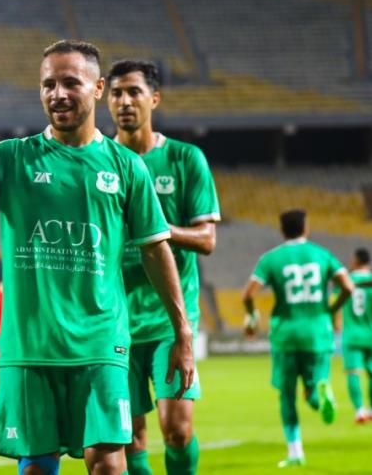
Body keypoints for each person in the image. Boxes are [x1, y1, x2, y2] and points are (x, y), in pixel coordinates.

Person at [0, 40, 194, 475]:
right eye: (48, 84)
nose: (57, 94)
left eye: (70, 82)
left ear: (98, 87)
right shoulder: (11, 158)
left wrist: (182, 332)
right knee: (37, 468)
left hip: (101, 343)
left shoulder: (125, 167)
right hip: (29, 349)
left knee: (107, 462)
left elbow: (157, 250)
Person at [107, 60, 220, 475]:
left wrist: (156, 229)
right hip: (115, 322)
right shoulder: (100, 160)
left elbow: (207, 239)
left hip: (171, 321)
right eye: (116, 93)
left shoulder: (185, 159)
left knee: (177, 429)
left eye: (134, 92)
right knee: (131, 436)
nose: (124, 101)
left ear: (154, 98)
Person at [242, 209, 354, 468]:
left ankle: (295, 452)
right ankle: (321, 392)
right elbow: (347, 287)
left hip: (286, 335)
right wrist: (332, 309)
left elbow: (248, 294)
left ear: (282, 230)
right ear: (306, 227)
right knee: (313, 387)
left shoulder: (271, 259)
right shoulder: (322, 254)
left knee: (287, 396)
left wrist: (251, 318)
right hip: (318, 332)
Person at [338, 248, 372, 423]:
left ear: (355, 260)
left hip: (351, 334)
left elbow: (337, 304)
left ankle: (359, 411)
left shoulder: (346, 281)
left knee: (353, 373)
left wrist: (335, 324)